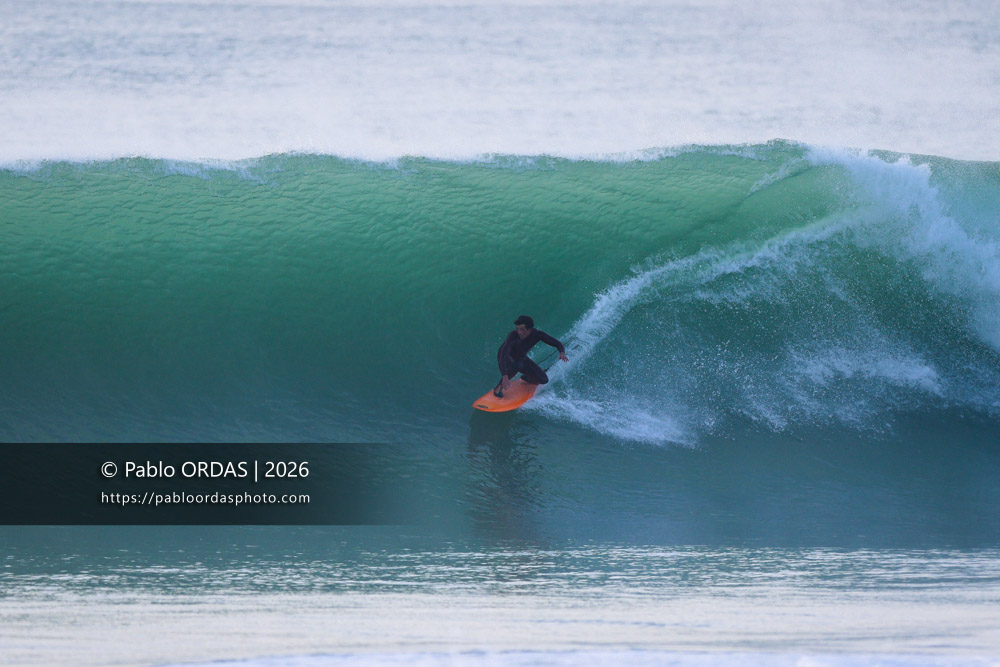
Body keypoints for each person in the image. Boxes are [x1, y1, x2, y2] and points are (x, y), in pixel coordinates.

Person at [496, 315, 569, 395]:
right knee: (518, 364)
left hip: (521, 358)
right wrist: (505, 376)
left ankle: (527, 377)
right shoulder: (513, 336)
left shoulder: (537, 334)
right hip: (506, 357)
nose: (519, 332)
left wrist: (562, 353)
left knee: (543, 380)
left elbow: (557, 343)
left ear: (529, 329)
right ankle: (499, 387)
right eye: (517, 329)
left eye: (522, 329)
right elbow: (502, 356)